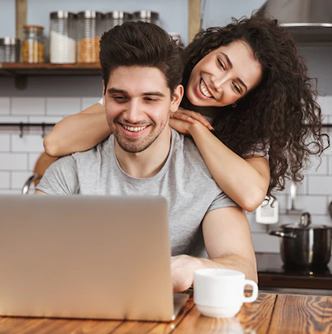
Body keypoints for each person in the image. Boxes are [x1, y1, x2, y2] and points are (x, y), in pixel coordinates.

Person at [35, 21, 257, 292]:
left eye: (150, 99)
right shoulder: (73, 171)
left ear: (175, 99)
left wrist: (193, 267)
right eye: (120, 97)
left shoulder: (209, 176)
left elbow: (245, 274)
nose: (133, 114)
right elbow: (24, 256)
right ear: (104, 92)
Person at [43, 13, 328, 212]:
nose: (217, 82)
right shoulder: (153, 79)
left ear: (242, 100)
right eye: (221, 64)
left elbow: (252, 196)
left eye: (236, 86)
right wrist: (154, 112)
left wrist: (195, 129)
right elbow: (55, 143)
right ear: (210, 48)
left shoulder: (247, 132)